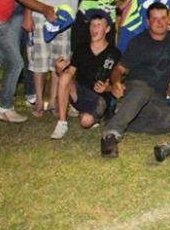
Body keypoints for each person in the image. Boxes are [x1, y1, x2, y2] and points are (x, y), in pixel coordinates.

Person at [101, 2, 170, 158]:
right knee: (142, 91)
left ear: (168, 20)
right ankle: (110, 134)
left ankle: (120, 116)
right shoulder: (138, 42)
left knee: (167, 123)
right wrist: (116, 82)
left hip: (157, 98)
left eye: (163, 18)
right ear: (148, 22)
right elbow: (119, 69)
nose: (159, 22)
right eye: (155, 19)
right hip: (137, 88)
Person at [51, 9, 121, 139]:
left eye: (99, 25)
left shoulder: (114, 53)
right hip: (79, 93)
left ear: (107, 29)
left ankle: (92, 115)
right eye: (92, 24)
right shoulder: (81, 48)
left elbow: (117, 84)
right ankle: (62, 123)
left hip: (98, 98)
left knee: (85, 121)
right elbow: (70, 73)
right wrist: (60, 70)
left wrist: (107, 88)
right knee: (66, 76)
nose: (94, 28)